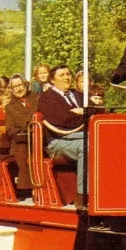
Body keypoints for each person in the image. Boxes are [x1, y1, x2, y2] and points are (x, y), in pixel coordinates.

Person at [37, 65, 86, 198]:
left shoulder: (80, 95)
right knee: (86, 147)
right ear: (52, 80)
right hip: (57, 141)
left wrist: (83, 111)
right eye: (62, 75)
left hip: (80, 135)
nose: (66, 78)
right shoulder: (46, 98)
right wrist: (85, 114)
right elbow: (63, 120)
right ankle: (83, 196)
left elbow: (99, 110)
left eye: (68, 74)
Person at [4, 73, 39, 193]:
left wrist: (24, 122)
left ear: (26, 85)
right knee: (21, 148)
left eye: (21, 85)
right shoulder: (10, 107)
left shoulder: (37, 98)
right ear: (11, 89)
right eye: (15, 87)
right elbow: (10, 129)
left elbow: (39, 114)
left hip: (39, 137)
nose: (19, 89)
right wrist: (25, 128)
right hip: (22, 140)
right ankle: (27, 186)